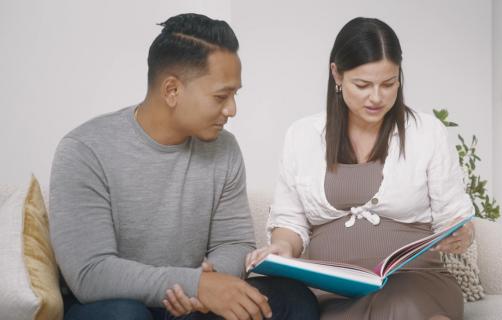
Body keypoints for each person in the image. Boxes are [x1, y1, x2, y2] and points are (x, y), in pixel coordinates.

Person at [49, 13, 319, 320]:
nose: (232, 109)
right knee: (126, 315)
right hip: (112, 304)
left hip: (192, 303)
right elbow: (90, 274)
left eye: (234, 94)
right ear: (172, 91)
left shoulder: (224, 148)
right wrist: (196, 284)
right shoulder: (84, 150)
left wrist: (212, 281)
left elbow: (234, 243)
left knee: (293, 300)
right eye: (221, 96)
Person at [246, 17, 475, 320]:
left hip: (416, 282)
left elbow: (455, 219)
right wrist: (283, 248)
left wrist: (462, 234)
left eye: (389, 84)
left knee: (405, 305)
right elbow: (290, 221)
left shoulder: (427, 132)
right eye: (363, 85)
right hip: (334, 291)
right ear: (336, 75)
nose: (377, 97)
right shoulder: (302, 135)